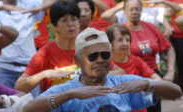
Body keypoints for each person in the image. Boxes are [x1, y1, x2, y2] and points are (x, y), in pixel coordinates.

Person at [22, 28, 182, 112]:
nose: (100, 60)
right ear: (78, 60)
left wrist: (146, 85)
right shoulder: (65, 90)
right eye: (93, 56)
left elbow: (176, 92)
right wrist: (70, 95)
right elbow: (28, 109)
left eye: (105, 55)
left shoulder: (123, 84)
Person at [15, 0, 123, 94]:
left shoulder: (90, 47)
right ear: (54, 26)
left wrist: (95, 74)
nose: (70, 24)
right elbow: (19, 86)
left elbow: (121, 72)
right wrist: (44, 74)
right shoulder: (45, 53)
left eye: (74, 19)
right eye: (64, 20)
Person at [0, 0, 58, 93]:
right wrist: (1, 7)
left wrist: (40, 8)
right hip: (2, 67)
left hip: (28, 69)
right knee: (3, 106)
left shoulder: (29, 4)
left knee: (31, 104)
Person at [106, 24, 163, 112]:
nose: (125, 43)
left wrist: (147, 93)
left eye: (127, 40)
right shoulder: (105, 62)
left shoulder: (137, 61)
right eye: (120, 40)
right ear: (110, 43)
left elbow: (155, 78)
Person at [101, 0, 181, 37]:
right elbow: (105, 16)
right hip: (130, 46)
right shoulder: (124, 11)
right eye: (132, 10)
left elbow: (177, 9)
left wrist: (163, 1)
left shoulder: (153, 8)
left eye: (137, 9)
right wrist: (126, 5)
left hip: (150, 48)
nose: (134, 12)